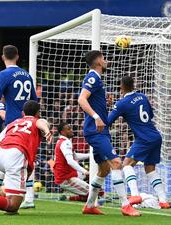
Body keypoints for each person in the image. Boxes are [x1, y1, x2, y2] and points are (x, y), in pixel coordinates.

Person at [78, 51, 140, 216]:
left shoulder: (98, 79)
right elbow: (81, 99)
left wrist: (105, 104)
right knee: (116, 163)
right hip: (95, 131)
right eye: (103, 58)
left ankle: (89, 206)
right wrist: (97, 117)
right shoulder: (92, 77)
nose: (106, 61)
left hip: (100, 131)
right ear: (98, 61)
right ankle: (126, 205)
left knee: (104, 170)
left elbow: (90, 100)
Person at [0, 45, 38, 207]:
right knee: (27, 159)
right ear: (17, 56)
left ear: (3, 57)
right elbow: (34, 101)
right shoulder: (27, 75)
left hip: (13, 124)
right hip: (29, 122)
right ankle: (28, 198)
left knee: (0, 156)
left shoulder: (3, 74)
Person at [108, 76, 170, 209]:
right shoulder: (143, 96)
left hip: (143, 138)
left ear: (121, 87)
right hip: (155, 136)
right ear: (133, 85)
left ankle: (135, 194)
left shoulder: (121, 103)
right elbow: (150, 115)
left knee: (126, 164)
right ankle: (163, 200)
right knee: (150, 168)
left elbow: (108, 122)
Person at [53, 122, 90, 201]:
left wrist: (90, 155)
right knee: (93, 192)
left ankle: (67, 198)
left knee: (93, 187)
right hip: (65, 178)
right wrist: (84, 171)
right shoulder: (65, 142)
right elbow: (70, 161)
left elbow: (75, 156)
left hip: (69, 174)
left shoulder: (63, 141)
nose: (71, 130)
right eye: (69, 129)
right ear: (62, 132)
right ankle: (103, 197)